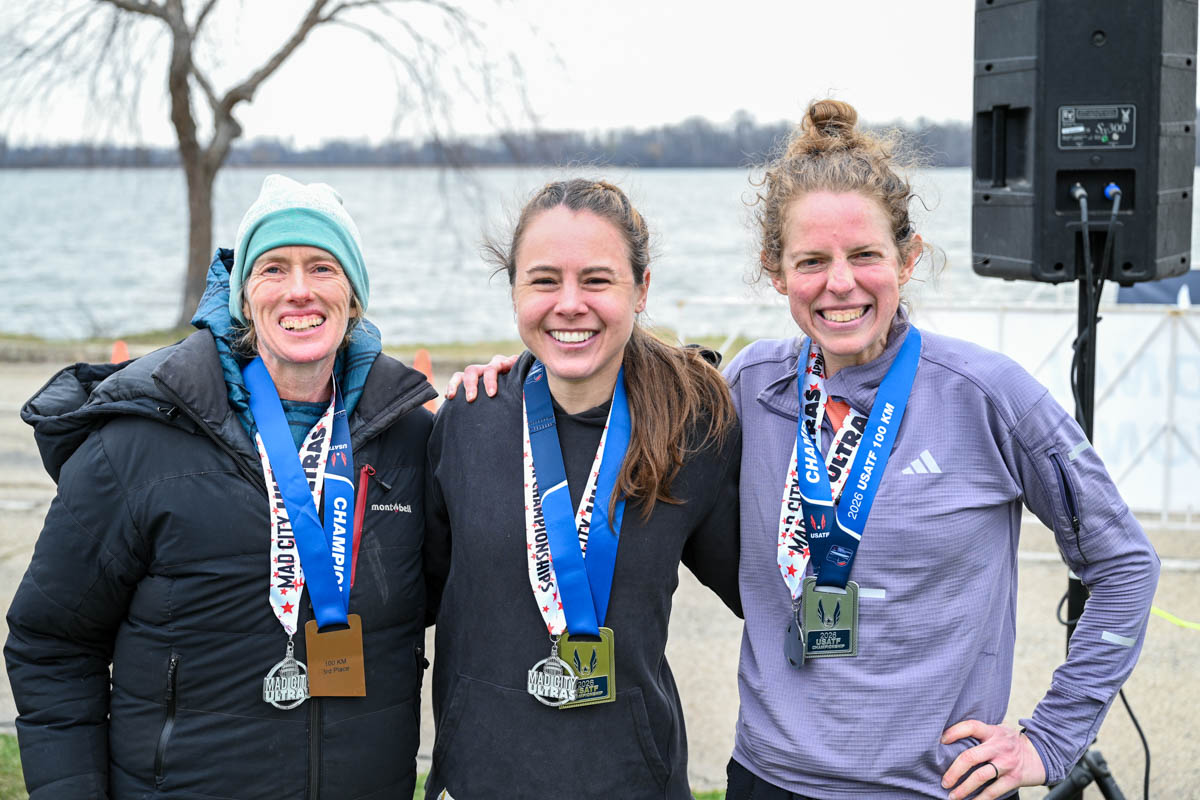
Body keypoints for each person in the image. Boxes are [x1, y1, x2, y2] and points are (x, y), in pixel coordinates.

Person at [449, 101, 1160, 800]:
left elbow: (1123, 562)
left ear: (908, 260)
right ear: (776, 270)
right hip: (767, 780)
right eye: (812, 260)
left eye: (865, 256)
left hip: (936, 788)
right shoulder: (744, 389)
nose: (839, 283)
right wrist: (511, 379)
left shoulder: (987, 395)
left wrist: (1052, 738)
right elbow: (611, 367)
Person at [6, 175, 435, 799]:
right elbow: (52, 643)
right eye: (272, 269)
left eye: (322, 267)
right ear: (243, 294)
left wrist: (510, 396)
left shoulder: (411, 440)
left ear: (354, 293)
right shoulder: (138, 441)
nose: (298, 291)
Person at [422, 178, 742, 799]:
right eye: (544, 280)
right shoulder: (469, 417)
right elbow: (407, 600)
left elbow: (768, 591)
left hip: (633, 782)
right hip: (478, 782)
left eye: (596, 280)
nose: (570, 304)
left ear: (641, 289)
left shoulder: (693, 428)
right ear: (513, 289)